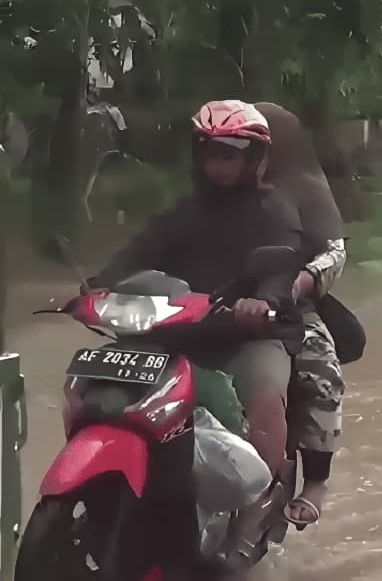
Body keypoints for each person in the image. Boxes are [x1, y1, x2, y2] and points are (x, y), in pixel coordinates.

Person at [90, 100, 303, 477]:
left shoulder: (275, 212)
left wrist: (263, 301)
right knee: (102, 381)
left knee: (266, 395)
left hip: (248, 336)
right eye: (209, 153)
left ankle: (258, 501)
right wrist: (97, 286)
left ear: (254, 158)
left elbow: (282, 265)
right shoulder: (184, 212)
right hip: (180, 332)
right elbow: (141, 250)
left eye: (228, 155)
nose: (217, 164)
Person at [255, 102, 348, 530]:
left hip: (289, 305)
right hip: (211, 301)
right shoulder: (214, 190)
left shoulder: (306, 187)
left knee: (320, 370)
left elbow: (335, 250)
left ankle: (316, 481)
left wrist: (304, 281)